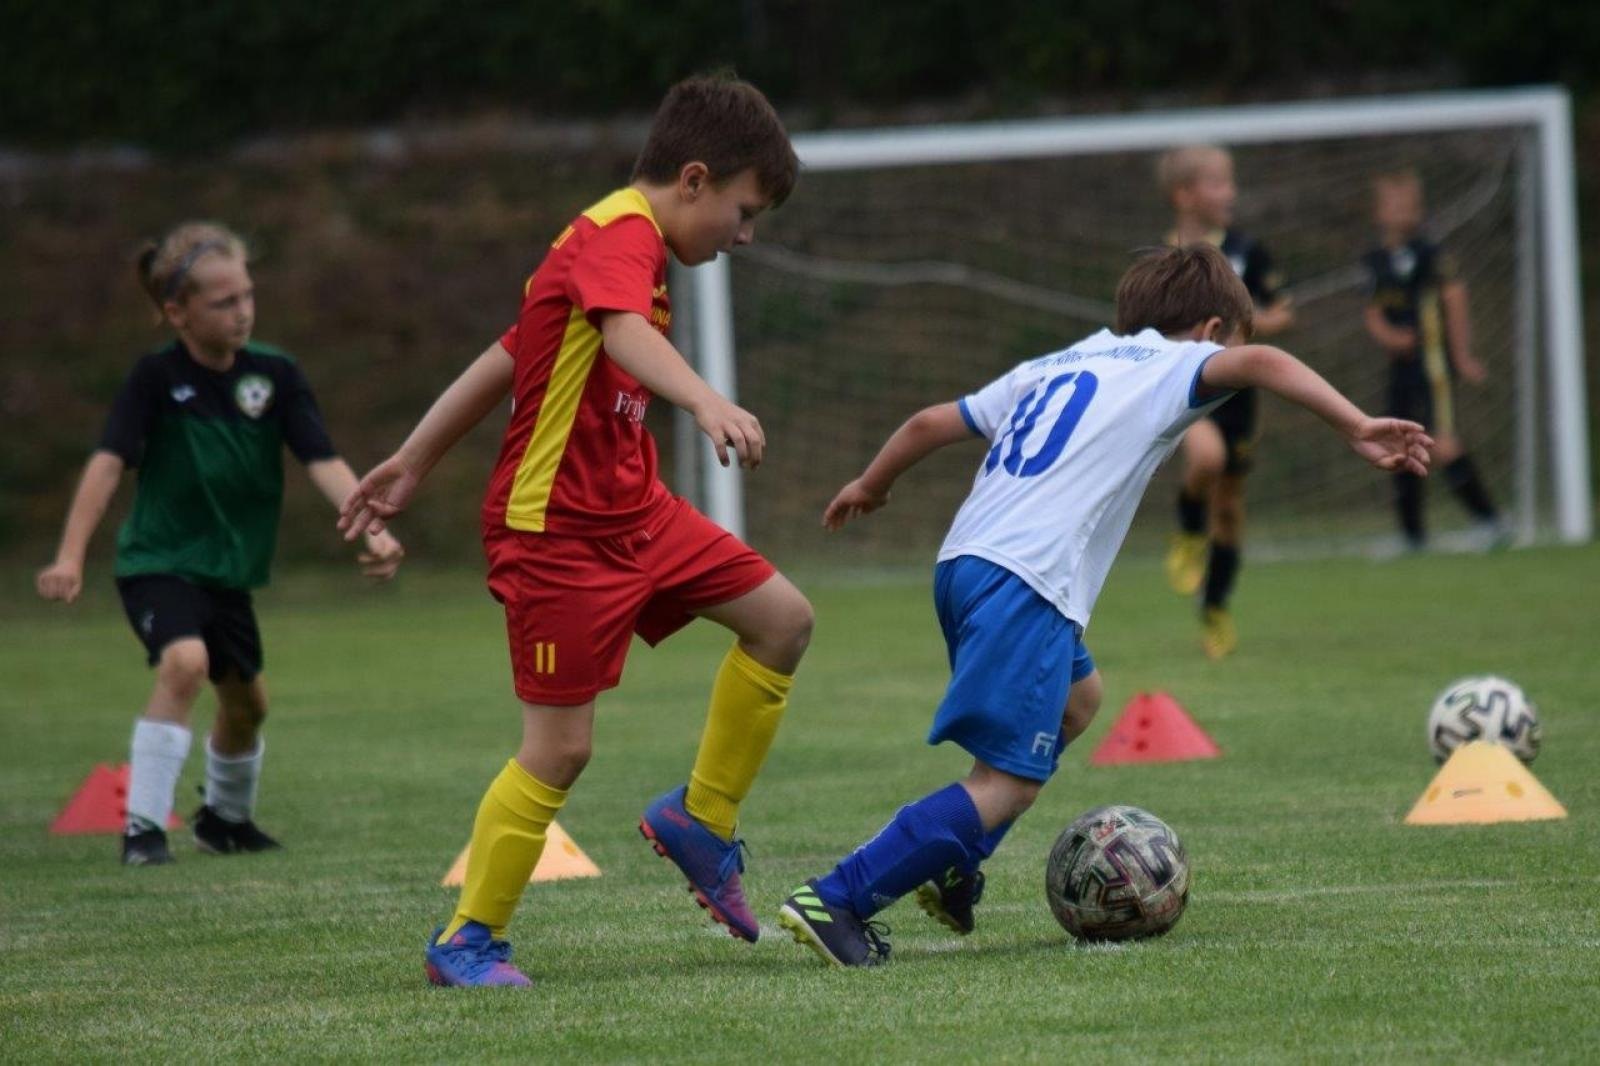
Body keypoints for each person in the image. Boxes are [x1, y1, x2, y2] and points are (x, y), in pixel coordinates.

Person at [777, 244, 1430, 967]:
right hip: (1028, 578)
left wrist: (872, 484)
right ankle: (838, 897)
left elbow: (932, 421)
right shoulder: (1175, 365)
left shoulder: (1059, 362)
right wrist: (1353, 422)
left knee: (1080, 700)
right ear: (1212, 330)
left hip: (964, 564)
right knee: (1007, 783)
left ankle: (953, 863)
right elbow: (1264, 363)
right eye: (1228, 348)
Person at [338, 74, 810, 988]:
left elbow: (510, 352)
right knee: (560, 748)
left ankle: (702, 822)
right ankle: (467, 939)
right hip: (555, 530)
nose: (745, 235)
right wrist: (707, 400)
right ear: (697, 179)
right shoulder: (618, 234)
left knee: (783, 620)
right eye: (744, 212)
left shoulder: (630, 248)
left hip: (637, 513)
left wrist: (413, 457)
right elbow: (622, 331)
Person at [36, 221, 405, 867]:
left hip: (228, 571)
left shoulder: (277, 375)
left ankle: (225, 821)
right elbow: (106, 463)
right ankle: (144, 830)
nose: (242, 312)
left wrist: (373, 526)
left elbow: (322, 459)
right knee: (184, 664)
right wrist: (71, 555)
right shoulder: (155, 379)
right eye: (223, 302)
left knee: (247, 706)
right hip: (158, 561)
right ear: (177, 312)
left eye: (247, 296)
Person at [1156, 145, 1295, 658]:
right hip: (1183, 389)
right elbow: (1141, 324)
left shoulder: (1246, 252)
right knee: (1206, 459)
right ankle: (1189, 528)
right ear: (1184, 195)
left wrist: (1244, 326)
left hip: (1236, 393)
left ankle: (1214, 607)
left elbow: (1282, 314)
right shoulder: (1161, 257)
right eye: (1218, 183)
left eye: (1229, 182)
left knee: (1231, 510)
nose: (1229, 192)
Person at [1363, 169, 1503, 550]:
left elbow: (1455, 299)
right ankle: (1412, 537)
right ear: (1378, 212)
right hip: (1400, 369)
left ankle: (1491, 522)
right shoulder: (1376, 261)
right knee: (1396, 444)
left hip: (1433, 365)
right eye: (1396, 205)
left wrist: (1461, 355)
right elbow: (1372, 313)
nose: (1405, 212)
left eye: (1411, 204)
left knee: (1441, 442)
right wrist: (1391, 337)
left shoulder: (1431, 255)